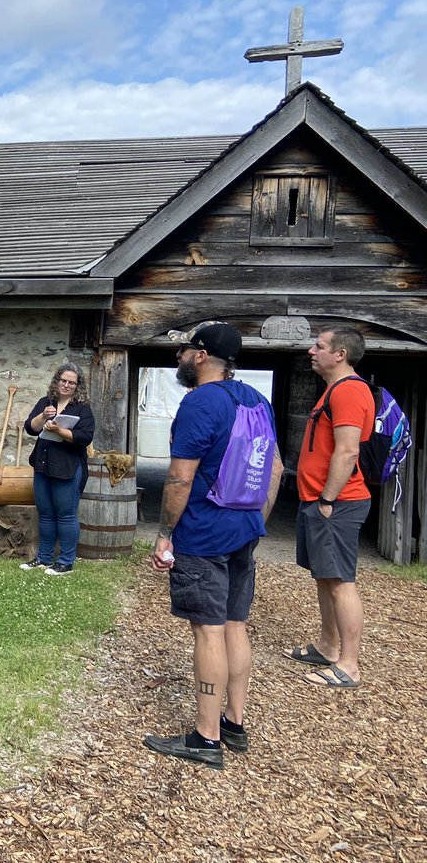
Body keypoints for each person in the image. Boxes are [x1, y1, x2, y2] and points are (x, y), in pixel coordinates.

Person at [142, 321, 282, 770]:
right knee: (236, 624)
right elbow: (275, 469)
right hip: (243, 530)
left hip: (203, 534)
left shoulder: (199, 401)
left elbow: (181, 477)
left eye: (185, 349)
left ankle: (205, 738)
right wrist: (256, 521)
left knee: (209, 630)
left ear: (201, 356)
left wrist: (165, 533)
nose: (180, 356)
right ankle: (233, 725)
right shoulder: (257, 401)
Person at [287, 326, 374, 690]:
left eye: (319, 346)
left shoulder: (351, 390)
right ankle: (328, 646)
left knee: (340, 581)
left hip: (337, 503)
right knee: (325, 576)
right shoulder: (334, 390)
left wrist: (327, 499)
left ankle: (349, 665)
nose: (311, 350)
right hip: (319, 500)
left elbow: (348, 450)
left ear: (340, 354)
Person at [21, 363, 96, 575]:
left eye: (71, 382)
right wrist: (43, 416)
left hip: (68, 467)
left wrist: (60, 430)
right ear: (57, 380)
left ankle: (65, 562)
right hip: (43, 464)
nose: (66, 385)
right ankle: (44, 558)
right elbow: (30, 428)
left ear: (77, 385)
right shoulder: (46, 402)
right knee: (45, 514)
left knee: (66, 515)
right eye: (63, 380)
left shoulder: (82, 408)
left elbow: (85, 437)